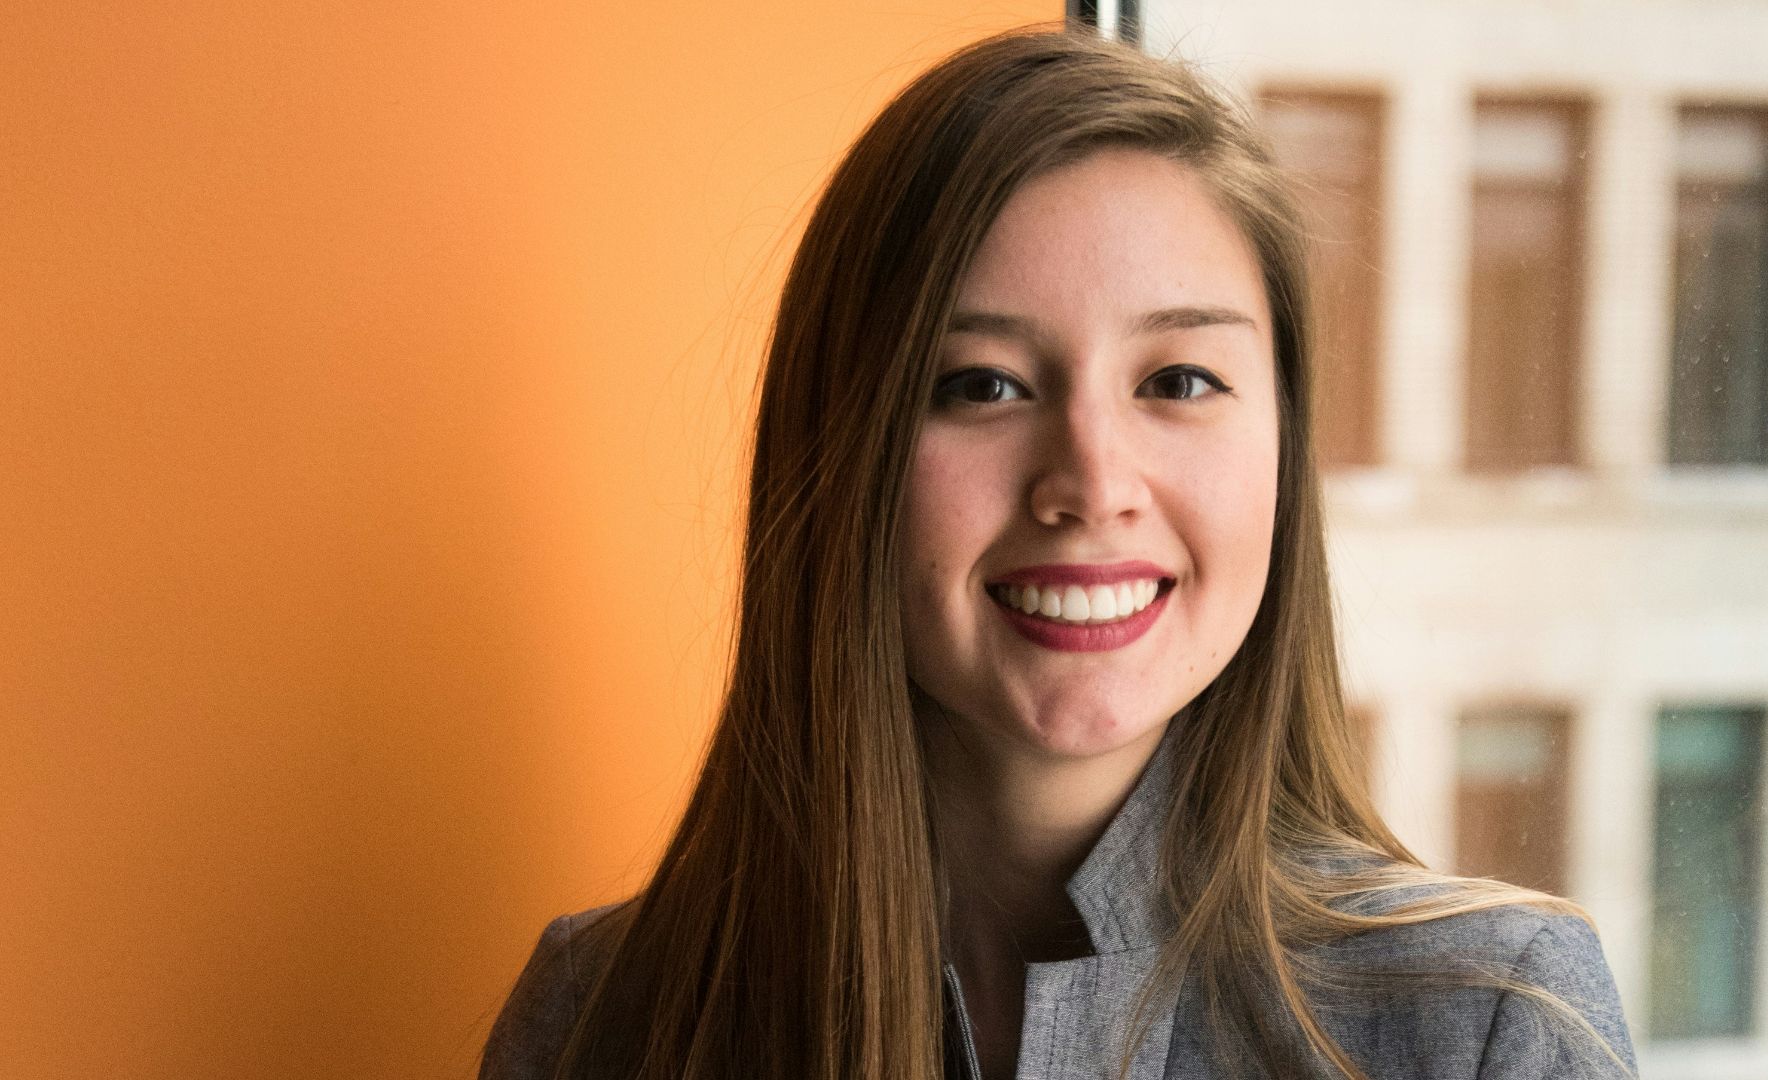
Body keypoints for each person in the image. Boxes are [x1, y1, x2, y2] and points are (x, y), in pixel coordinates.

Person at [478, 23, 1637, 1080]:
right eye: (981, 385)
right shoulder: (603, 1020)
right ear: (841, 454)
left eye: (1178, 380)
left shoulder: (1494, 1024)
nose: (1089, 484)